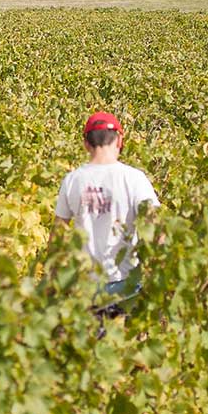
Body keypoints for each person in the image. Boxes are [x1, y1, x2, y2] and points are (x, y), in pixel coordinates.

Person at [54, 112, 161, 294]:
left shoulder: (72, 180)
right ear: (119, 141)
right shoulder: (134, 179)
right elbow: (157, 228)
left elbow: (58, 235)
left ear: (86, 144)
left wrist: (53, 280)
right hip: (126, 284)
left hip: (85, 287)